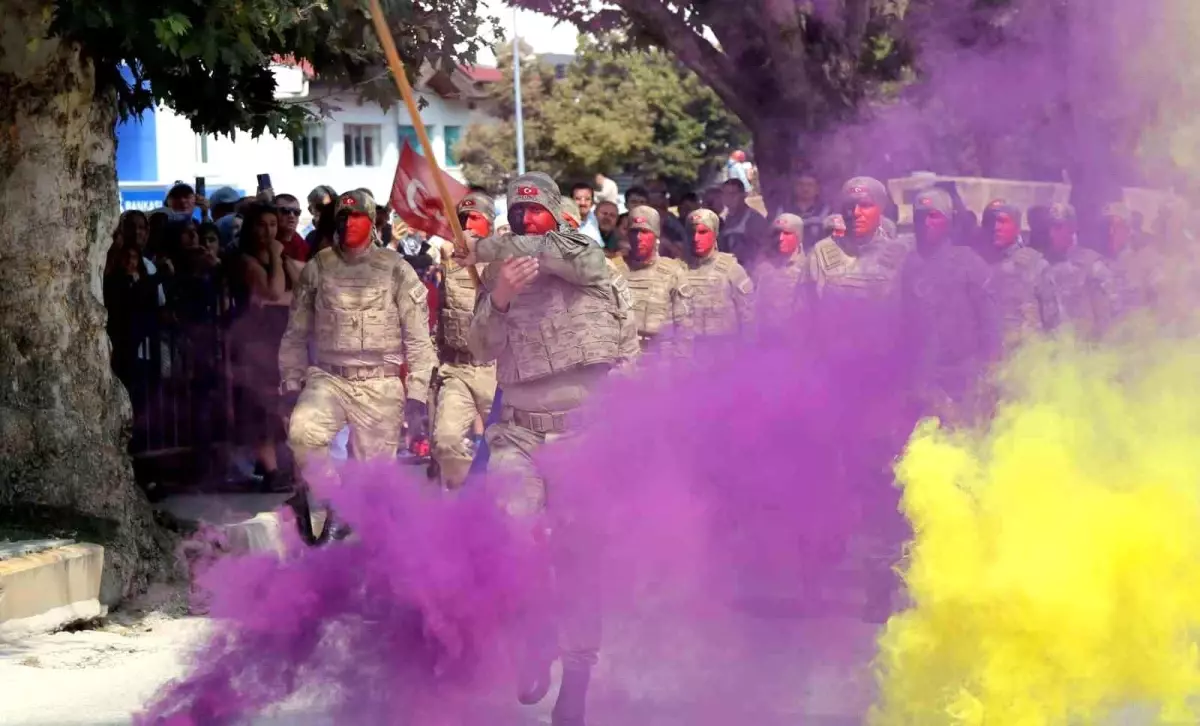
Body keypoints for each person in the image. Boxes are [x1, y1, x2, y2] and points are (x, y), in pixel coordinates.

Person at [465, 171, 638, 726]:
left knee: (580, 558)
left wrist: (497, 246)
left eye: (535, 212)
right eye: (516, 215)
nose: (524, 223)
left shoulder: (586, 258)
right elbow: (478, 346)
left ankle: (578, 677)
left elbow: (583, 263)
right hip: (517, 434)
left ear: (558, 216)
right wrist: (500, 295)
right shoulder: (501, 279)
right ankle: (535, 637)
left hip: (584, 434)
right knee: (513, 539)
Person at [279, 190, 436, 543]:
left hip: (380, 382)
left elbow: (418, 338)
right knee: (303, 436)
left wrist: (418, 393)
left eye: (357, 217)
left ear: (373, 222)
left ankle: (378, 557)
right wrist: (291, 382)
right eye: (342, 217)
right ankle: (339, 504)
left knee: (374, 480)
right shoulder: (318, 267)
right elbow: (295, 333)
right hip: (329, 378)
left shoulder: (396, 269)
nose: (349, 224)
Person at [900, 188, 999, 422]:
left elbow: (990, 323)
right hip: (919, 381)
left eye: (934, 216)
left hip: (963, 380)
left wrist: (987, 373)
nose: (926, 223)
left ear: (949, 221)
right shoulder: (905, 265)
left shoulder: (969, 263)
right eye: (920, 216)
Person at [431, 192, 498, 488]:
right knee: (445, 441)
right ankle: (468, 504)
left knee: (507, 450)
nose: (467, 225)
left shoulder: (507, 263)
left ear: (491, 226)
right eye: (462, 220)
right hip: (456, 369)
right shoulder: (448, 261)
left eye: (475, 219)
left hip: (496, 371)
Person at [228, 203, 291, 491]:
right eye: (262, 225)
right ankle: (270, 470)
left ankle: (281, 464)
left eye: (273, 225)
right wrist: (277, 258)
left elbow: (302, 292)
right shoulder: (244, 260)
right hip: (254, 342)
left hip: (281, 339)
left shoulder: (284, 259)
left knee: (282, 405)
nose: (268, 231)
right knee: (261, 407)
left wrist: (277, 296)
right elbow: (273, 290)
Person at [807, 177, 910, 304]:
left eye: (865, 205)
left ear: (881, 209)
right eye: (849, 206)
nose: (856, 213)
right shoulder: (820, 254)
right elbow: (804, 311)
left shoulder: (900, 256)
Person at [977, 199, 1050, 349]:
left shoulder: (1035, 264)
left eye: (1003, 222)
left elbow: (1053, 317)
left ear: (1017, 227)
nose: (996, 228)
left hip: (1028, 358)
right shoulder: (977, 266)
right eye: (992, 223)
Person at [622, 206, 694, 360]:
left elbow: (685, 326)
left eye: (645, 232)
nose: (639, 238)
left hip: (661, 359)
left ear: (656, 236)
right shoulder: (616, 271)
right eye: (634, 231)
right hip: (624, 358)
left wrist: (680, 363)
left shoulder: (674, 272)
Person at [1037, 202, 1117, 339]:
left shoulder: (1092, 265)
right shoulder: (1041, 265)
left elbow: (1107, 315)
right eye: (1051, 227)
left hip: (1084, 351)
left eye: (1058, 227)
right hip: (1052, 351)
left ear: (1073, 228)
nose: (1052, 233)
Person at [683, 208, 755, 343]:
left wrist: (748, 351)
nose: (696, 238)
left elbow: (748, 314)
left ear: (714, 234)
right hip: (689, 350)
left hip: (724, 348)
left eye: (703, 232)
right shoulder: (679, 270)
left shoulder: (731, 269)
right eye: (692, 233)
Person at [749, 212, 808, 336]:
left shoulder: (808, 266)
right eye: (777, 233)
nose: (780, 238)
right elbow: (751, 302)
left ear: (799, 236)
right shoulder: (762, 265)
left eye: (787, 234)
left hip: (797, 337)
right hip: (766, 336)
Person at [718, 179, 769, 267]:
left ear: (743, 195)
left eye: (733, 194)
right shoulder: (723, 219)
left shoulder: (754, 219)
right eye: (726, 194)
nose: (729, 198)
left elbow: (764, 250)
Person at [645, 179, 687, 259]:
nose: (663, 198)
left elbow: (685, 252)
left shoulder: (673, 222)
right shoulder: (637, 221)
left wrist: (668, 245)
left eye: (664, 194)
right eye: (656, 192)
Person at [790, 173, 830, 250]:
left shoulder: (827, 212)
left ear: (817, 189)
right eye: (801, 184)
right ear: (794, 188)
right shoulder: (784, 211)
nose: (805, 188)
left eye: (810, 185)